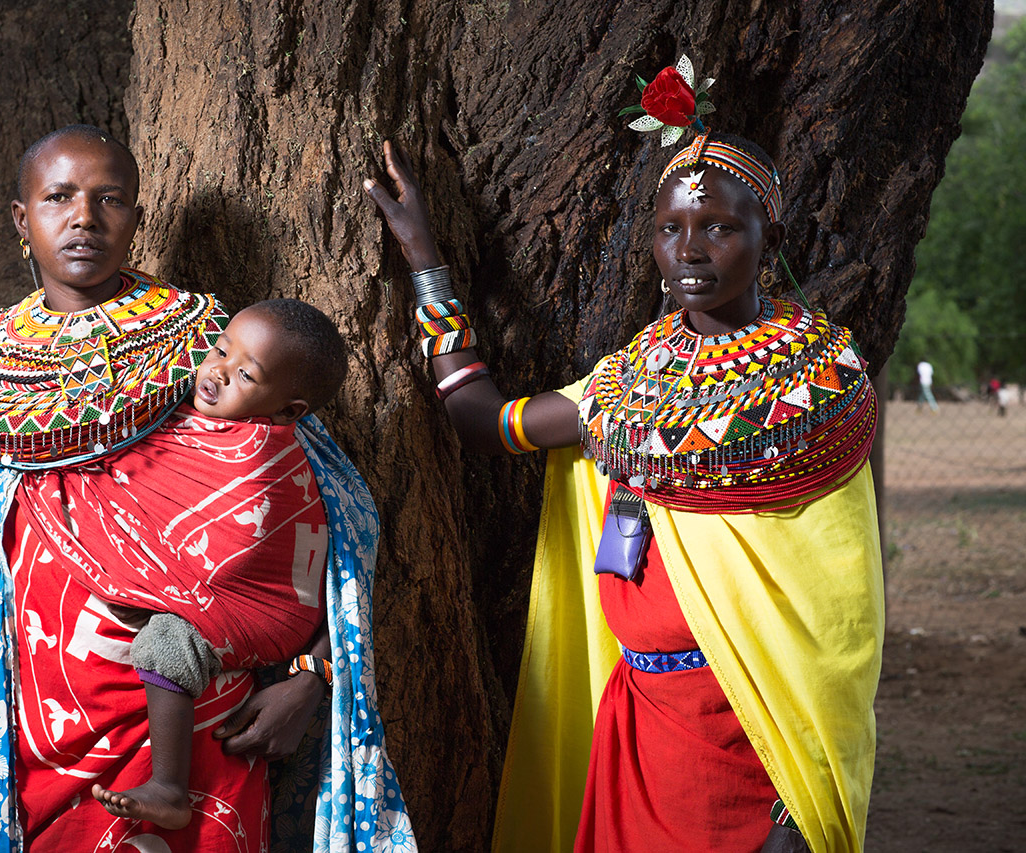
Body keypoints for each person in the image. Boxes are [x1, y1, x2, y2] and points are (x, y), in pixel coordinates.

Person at [364, 65, 882, 853]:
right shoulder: (630, 379)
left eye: (718, 226)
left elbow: (838, 622)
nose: (689, 250)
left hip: (751, 735)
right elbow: (484, 420)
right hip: (637, 719)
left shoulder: (819, 384)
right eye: (671, 228)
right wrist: (424, 259)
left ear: (769, 237)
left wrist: (796, 808)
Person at [0, 124, 415, 853]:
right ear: (20, 218)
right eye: (59, 196)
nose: (84, 217)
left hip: (191, 701)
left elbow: (326, 522)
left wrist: (313, 670)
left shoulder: (206, 346)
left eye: (111, 199)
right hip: (40, 705)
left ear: (137, 218)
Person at [86, 298, 348, 830]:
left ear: (288, 411)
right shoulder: (171, 411)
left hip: (266, 609)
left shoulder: (266, 453)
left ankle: (168, 786)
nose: (217, 373)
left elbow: (240, 542)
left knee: (167, 640)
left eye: (245, 374)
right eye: (220, 351)